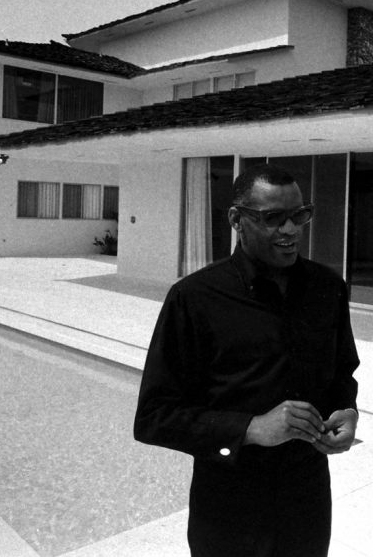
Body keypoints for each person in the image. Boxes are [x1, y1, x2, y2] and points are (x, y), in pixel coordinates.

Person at [134, 163, 360, 557]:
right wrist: (251, 428)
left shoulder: (328, 288)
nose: (290, 230)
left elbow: (342, 370)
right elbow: (153, 418)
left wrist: (346, 409)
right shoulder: (195, 298)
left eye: (299, 215)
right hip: (228, 508)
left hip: (306, 500)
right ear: (237, 220)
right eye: (273, 218)